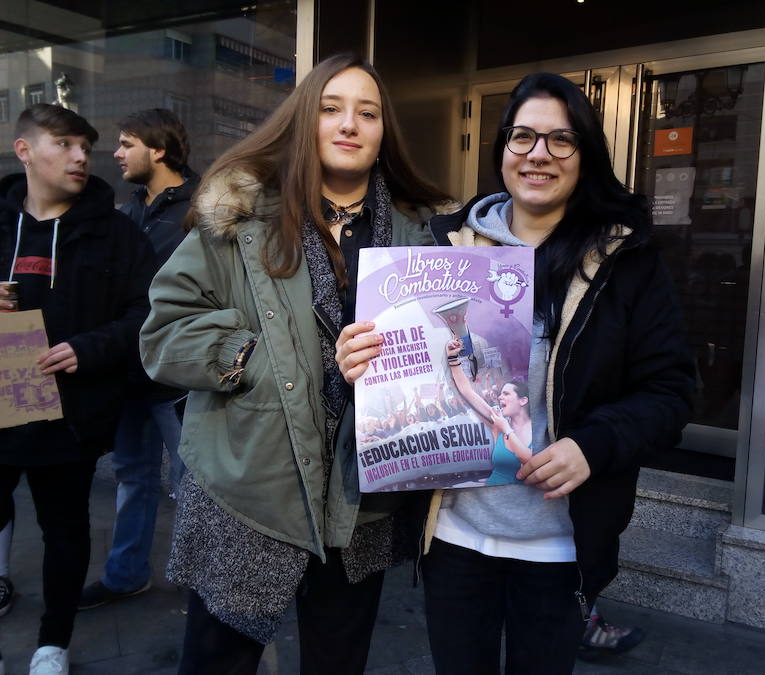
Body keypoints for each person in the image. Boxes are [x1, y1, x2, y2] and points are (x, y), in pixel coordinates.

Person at [339, 72, 694, 674]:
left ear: (585, 155)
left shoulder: (626, 260)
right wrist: (362, 363)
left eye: (560, 140)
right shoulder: (442, 248)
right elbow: (410, 369)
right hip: (454, 536)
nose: (538, 154)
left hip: (558, 545)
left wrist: (593, 445)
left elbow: (672, 392)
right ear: (502, 148)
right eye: (523, 137)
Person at [139, 53, 449, 674]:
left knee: (339, 659)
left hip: (363, 496)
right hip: (249, 487)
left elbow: (453, 351)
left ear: (385, 131)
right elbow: (164, 335)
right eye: (331, 108)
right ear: (304, 120)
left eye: (367, 112)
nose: (349, 124)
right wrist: (256, 355)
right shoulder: (240, 219)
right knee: (216, 660)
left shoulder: (423, 238)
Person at [0, 104, 155, 675]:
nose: (79, 157)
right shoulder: (0, 220)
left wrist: (91, 348)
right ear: (25, 150)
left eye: (84, 148)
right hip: (0, 401)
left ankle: (52, 644)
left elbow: (149, 310)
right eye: (64, 144)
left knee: (63, 530)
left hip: (71, 413)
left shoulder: (113, 230)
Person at [80, 108, 197, 611]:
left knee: (197, 481)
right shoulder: (126, 214)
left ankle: (205, 578)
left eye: (127, 143)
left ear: (159, 149)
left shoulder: (204, 208)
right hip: (129, 374)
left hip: (182, 379)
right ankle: (126, 574)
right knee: (134, 477)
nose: (116, 154)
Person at [444, 341, 532, 486]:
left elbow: (530, 460)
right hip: (491, 495)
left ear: (523, 401)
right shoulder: (498, 423)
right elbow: (467, 392)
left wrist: (507, 429)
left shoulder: (536, 426)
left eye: (506, 394)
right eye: (500, 393)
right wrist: (453, 359)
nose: (499, 397)